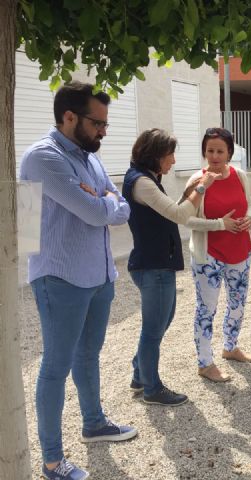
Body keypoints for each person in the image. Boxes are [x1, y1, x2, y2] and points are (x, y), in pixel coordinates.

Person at [19, 81, 137, 480]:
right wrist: (104, 202)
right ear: (69, 117)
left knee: (88, 356)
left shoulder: (90, 157)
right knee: (56, 365)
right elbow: (98, 212)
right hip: (61, 278)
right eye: (97, 122)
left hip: (99, 274)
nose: (104, 130)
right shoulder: (42, 157)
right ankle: (52, 461)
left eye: (105, 123)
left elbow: (121, 208)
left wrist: (103, 200)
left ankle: (94, 423)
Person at [122, 129, 219, 406]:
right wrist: (202, 189)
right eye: (169, 155)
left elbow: (168, 211)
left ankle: (140, 375)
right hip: (152, 266)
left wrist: (190, 191)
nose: (173, 161)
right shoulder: (142, 183)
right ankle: (152, 389)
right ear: (155, 155)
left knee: (161, 323)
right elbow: (178, 215)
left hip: (157, 265)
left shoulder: (146, 179)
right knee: (153, 330)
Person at [182, 127, 251, 383]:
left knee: (237, 303)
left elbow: (250, 205)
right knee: (207, 308)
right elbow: (186, 219)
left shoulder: (241, 176)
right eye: (210, 150)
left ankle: (230, 346)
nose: (214, 156)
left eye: (220, 151)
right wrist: (219, 224)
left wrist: (250, 219)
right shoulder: (196, 180)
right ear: (204, 152)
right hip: (208, 255)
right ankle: (205, 363)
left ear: (229, 153)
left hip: (240, 251)